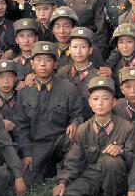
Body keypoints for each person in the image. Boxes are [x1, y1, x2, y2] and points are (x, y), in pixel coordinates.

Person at [53, 76, 135, 196]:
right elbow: (74, 161)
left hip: (118, 176)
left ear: (114, 102)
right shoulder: (83, 129)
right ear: (90, 103)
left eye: (105, 98)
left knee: (111, 160)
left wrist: (121, 151)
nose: (100, 103)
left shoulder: (126, 127)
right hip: (93, 175)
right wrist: (63, 182)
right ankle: (97, 192)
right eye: (95, 99)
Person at [13, 41, 84, 184]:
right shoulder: (23, 92)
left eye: (48, 60)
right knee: (26, 179)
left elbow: (77, 114)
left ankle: (65, 173)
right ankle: (50, 169)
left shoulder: (68, 88)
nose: (43, 64)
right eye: (38, 60)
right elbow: (21, 126)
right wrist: (26, 153)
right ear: (32, 64)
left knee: (74, 139)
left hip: (60, 140)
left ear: (55, 64)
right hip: (37, 143)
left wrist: (75, 123)